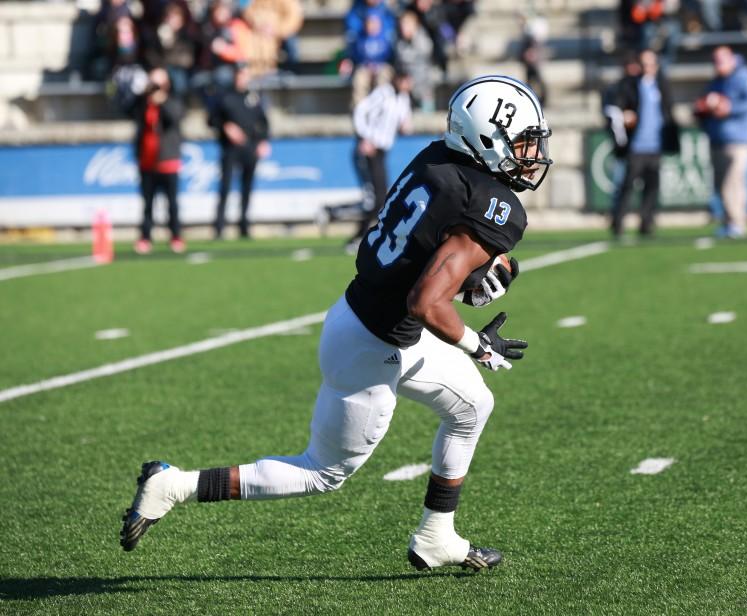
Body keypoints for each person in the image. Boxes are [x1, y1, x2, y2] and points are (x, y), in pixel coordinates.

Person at [119, 75, 553, 573]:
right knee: (322, 473)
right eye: (523, 142)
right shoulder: (493, 205)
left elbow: (421, 263)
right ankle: (172, 485)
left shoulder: (437, 159)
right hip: (374, 346)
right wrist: (478, 343)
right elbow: (426, 302)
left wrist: (468, 284)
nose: (531, 155)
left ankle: (437, 535)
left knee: (473, 405)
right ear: (487, 140)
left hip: (367, 320)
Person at [607, 49, 680, 238]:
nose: (648, 68)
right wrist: (625, 116)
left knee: (652, 187)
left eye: (651, 64)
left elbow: (668, 112)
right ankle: (618, 222)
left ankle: (646, 223)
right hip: (636, 145)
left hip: (655, 145)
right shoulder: (630, 85)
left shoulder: (661, 85)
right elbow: (617, 108)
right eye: (644, 64)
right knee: (627, 186)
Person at [695, 46, 747, 239]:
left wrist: (729, 107)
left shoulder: (744, 77)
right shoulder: (716, 82)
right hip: (717, 138)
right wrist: (702, 107)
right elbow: (704, 103)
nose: (718, 65)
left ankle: (738, 222)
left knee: (734, 183)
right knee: (720, 184)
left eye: (722, 60)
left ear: (732, 59)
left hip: (737, 138)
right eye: (715, 61)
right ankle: (728, 221)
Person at [347, 69, 414, 253]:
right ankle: (358, 236)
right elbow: (360, 111)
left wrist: (405, 125)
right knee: (375, 198)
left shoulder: (403, 98)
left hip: (382, 151)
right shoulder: (383, 93)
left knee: (381, 197)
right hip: (370, 149)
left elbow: (404, 122)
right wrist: (364, 137)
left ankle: (365, 235)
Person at [132, 67, 186, 255]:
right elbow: (130, 112)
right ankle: (145, 237)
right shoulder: (143, 103)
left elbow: (175, 118)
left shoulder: (172, 101)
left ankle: (176, 236)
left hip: (167, 160)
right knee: (147, 204)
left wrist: (162, 102)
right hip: (147, 161)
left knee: (172, 203)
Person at [214, 64, 270, 239]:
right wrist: (226, 127)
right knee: (226, 187)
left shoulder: (253, 97)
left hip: (250, 148)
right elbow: (211, 119)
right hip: (230, 149)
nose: (242, 78)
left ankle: (244, 225)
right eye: (240, 75)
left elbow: (264, 123)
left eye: (245, 75)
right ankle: (220, 226)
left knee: (247, 188)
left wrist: (262, 141)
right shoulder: (225, 96)